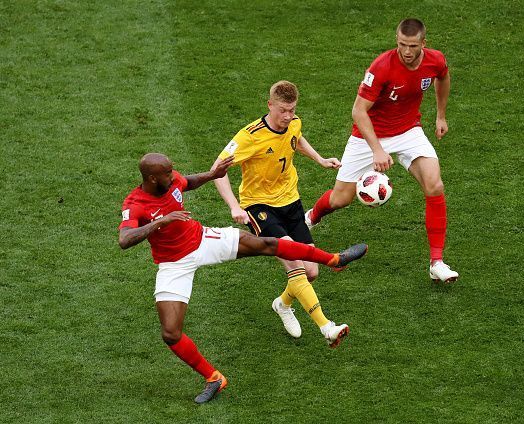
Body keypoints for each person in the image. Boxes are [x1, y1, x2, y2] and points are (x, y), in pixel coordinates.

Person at [118, 153, 367, 404]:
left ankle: (334, 259)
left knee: (267, 243)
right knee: (170, 333)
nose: (173, 177)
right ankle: (214, 378)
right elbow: (125, 240)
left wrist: (212, 175)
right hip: (174, 264)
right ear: (152, 178)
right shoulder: (135, 203)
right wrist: (161, 222)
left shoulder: (171, 182)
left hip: (203, 240)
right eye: (167, 173)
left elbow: (187, 182)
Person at [305, 18, 459, 283]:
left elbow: (442, 78)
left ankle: (437, 262)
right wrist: (377, 150)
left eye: (412, 46)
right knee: (341, 199)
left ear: (424, 43)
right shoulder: (382, 67)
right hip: (369, 136)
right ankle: (311, 216)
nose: (406, 51)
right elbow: (358, 111)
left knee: (434, 185)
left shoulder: (435, 60)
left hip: (409, 131)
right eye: (401, 45)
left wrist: (441, 116)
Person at [210, 80, 353, 347]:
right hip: (259, 207)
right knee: (294, 262)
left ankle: (283, 304)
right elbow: (217, 169)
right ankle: (327, 327)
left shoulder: (294, 122)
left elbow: (295, 140)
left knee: (311, 272)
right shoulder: (249, 136)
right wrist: (233, 206)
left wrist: (320, 159)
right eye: (283, 111)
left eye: (292, 110)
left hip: (291, 202)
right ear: (270, 105)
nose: (288, 116)